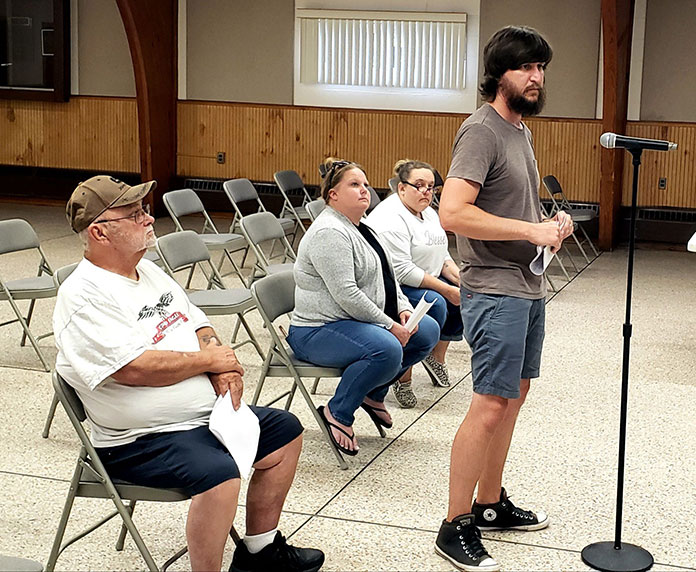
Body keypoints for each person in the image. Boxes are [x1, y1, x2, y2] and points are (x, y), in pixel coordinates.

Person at [53, 175, 325, 572]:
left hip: (203, 417)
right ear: (99, 232)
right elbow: (133, 368)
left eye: (145, 210)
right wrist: (212, 362)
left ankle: (259, 552)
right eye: (135, 214)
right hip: (138, 441)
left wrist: (220, 361)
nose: (149, 220)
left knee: (285, 431)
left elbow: (198, 324)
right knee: (220, 473)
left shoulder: (149, 271)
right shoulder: (84, 294)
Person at [435, 27, 574, 571]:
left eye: (541, 67)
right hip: (494, 287)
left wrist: (548, 225)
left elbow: (509, 209)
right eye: (525, 67)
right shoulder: (482, 130)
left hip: (526, 283)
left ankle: (489, 504)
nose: (536, 77)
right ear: (500, 74)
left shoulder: (519, 130)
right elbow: (453, 213)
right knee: (489, 404)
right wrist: (529, 231)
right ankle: (454, 523)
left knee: (514, 395)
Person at [286, 158, 440, 456]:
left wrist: (404, 309)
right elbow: (347, 295)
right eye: (354, 185)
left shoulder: (362, 227)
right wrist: (389, 324)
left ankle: (372, 392)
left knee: (426, 332)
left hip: (350, 323)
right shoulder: (329, 232)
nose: (364, 191)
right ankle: (338, 411)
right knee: (388, 347)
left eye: (365, 185)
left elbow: (388, 276)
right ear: (333, 195)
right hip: (317, 330)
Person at [365, 159, 463, 409]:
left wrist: (459, 279)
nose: (426, 192)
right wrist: (445, 288)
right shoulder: (390, 217)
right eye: (419, 185)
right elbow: (402, 270)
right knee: (437, 301)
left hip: (423, 277)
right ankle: (402, 377)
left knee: (463, 297)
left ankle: (435, 357)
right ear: (401, 188)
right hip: (391, 285)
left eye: (431, 186)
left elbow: (442, 254)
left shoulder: (428, 213)